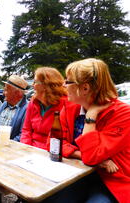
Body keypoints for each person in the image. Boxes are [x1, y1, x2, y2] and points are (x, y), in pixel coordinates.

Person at [60, 58, 130, 202]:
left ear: (85, 88)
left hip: (110, 180)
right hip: (76, 172)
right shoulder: (70, 107)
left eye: (68, 81)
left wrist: (90, 117)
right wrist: (80, 154)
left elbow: (91, 156)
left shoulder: (123, 114)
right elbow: (54, 142)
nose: (63, 85)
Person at [20, 67, 68, 150]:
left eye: (35, 82)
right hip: (30, 150)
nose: (32, 85)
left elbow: (65, 139)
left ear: (46, 85)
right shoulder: (33, 102)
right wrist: (26, 148)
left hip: (53, 152)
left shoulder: (65, 105)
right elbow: (26, 130)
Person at [0, 75, 29, 141]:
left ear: (17, 93)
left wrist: (7, 145)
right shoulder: (4, 105)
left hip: (13, 148)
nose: (3, 93)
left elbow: (22, 135)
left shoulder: (27, 109)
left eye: (6, 90)